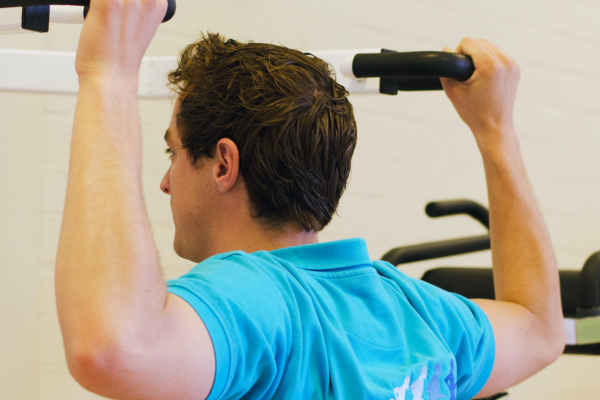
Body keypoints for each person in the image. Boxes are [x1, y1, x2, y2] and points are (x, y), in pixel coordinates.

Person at [55, 0, 566, 399]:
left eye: (173, 153)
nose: (165, 183)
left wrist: (109, 75)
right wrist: (496, 132)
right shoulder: (410, 308)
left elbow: (114, 348)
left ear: (222, 164)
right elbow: (539, 330)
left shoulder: (255, 298)